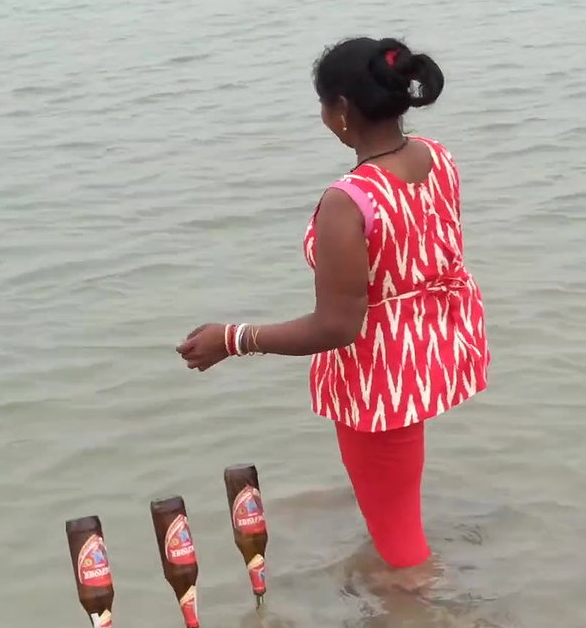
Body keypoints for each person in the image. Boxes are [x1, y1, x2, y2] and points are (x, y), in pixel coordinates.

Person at [177, 36, 489, 571]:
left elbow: (338, 326)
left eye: (324, 105)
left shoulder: (349, 202)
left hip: (378, 374)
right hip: (431, 345)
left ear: (342, 109)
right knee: (397, 500)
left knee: (398, 536)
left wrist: (233, 339)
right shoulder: (437, 157)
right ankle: (412, 614)